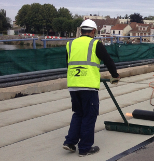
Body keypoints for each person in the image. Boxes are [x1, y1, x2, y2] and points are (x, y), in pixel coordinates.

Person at [63, 19, 120, 157]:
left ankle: (70, 142)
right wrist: (115, 76)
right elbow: (108, 61)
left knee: (78, 113)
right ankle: (85, 148)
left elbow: (68, 64)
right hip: (88, 86)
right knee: (89, 115)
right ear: (93, 31)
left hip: (73, 85)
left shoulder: (70, 44)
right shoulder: (95, 44)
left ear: (81, 30)